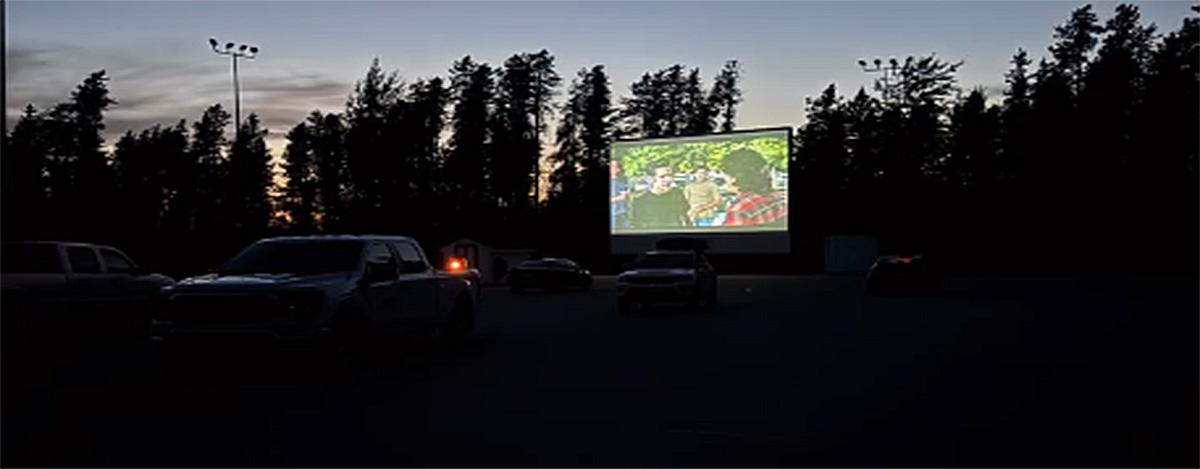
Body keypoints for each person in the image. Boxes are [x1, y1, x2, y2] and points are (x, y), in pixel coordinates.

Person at [719, 148, 788, 227]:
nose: (724, 180)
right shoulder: (779, 200)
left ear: (733, 178)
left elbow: (731, 238)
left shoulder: (740, 210)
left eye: (725, 175)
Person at [629, 164, 691, 229]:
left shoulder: (677, 194)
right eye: (662, 177)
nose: (668, 179)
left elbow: (685, 216)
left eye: (670, 175)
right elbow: (636, 223)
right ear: (652, 179)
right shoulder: (640, 199)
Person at [610, 161, 631, 230]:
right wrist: (619, 198)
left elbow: (628, 192)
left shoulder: (624, 180)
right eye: (613, 166)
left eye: (617, 166)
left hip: (624, 213)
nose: (615, 168)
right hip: (613, 215)